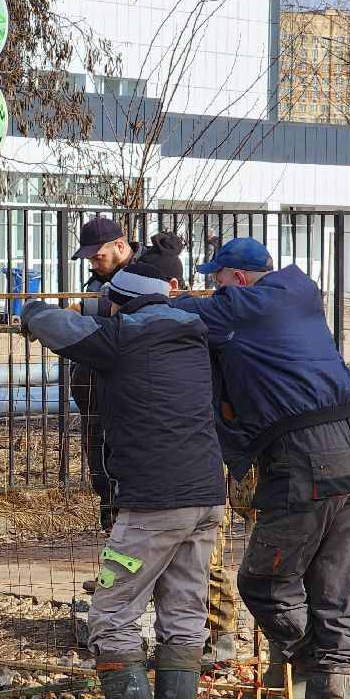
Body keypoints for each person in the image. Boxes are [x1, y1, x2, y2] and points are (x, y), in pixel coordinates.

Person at [21, 263, 226, 699]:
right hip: (206, 497)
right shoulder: (198, 333)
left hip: (153, 505)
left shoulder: (120, 337)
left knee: (112, 613)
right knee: (184, 613)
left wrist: (28, 309)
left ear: (118, 301)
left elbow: (58, 326)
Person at [174, 237, 350, 699]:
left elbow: (177, 315)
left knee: (263, 581)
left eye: (217, 278)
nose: (212, 287)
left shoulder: (243, 307)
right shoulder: (298, 295)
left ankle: (330, 668)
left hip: (305, 459)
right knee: (333, 585)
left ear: (238, 278)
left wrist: (136, 296)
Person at [137, 233, 242, 670]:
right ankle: (186, 645)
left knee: (211, 558)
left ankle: (221, 641)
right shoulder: (202, 315)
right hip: (193, 449)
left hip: (215, 446)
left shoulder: (210, 320)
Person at [67, 216, 140, 531]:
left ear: (120, 246)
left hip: (126, 393)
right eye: (91, 258)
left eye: (99, 256)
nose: (95, 264)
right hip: (94, 393)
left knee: (124, 466)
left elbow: (132, 313)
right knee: (100, 466)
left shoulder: (145, 275)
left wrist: (83, 310)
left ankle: (126, 566)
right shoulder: (102, 275)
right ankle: (115, 559)